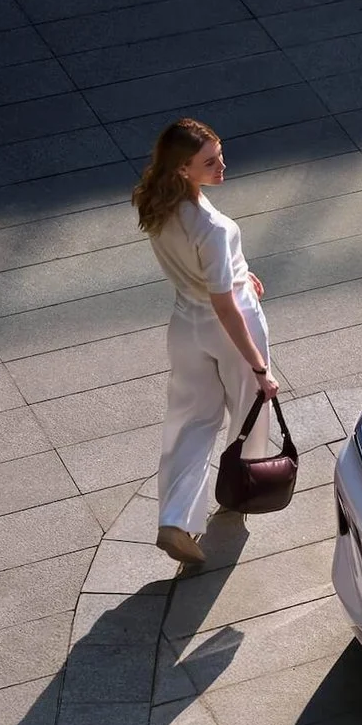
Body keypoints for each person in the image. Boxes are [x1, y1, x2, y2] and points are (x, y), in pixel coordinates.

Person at [133, 118, 278, 567]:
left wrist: (238, 269)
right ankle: (240, 494)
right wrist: (259, 366)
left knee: (190, 420)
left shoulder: (155, 203)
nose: (222, 165)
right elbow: (224, 304)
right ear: (182, 168)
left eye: (219, 155)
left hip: (185, 322)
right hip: (230, 322)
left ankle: (175, 519)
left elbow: (202, 271)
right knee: (251, 407)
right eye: (210, 161)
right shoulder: (211, 227)